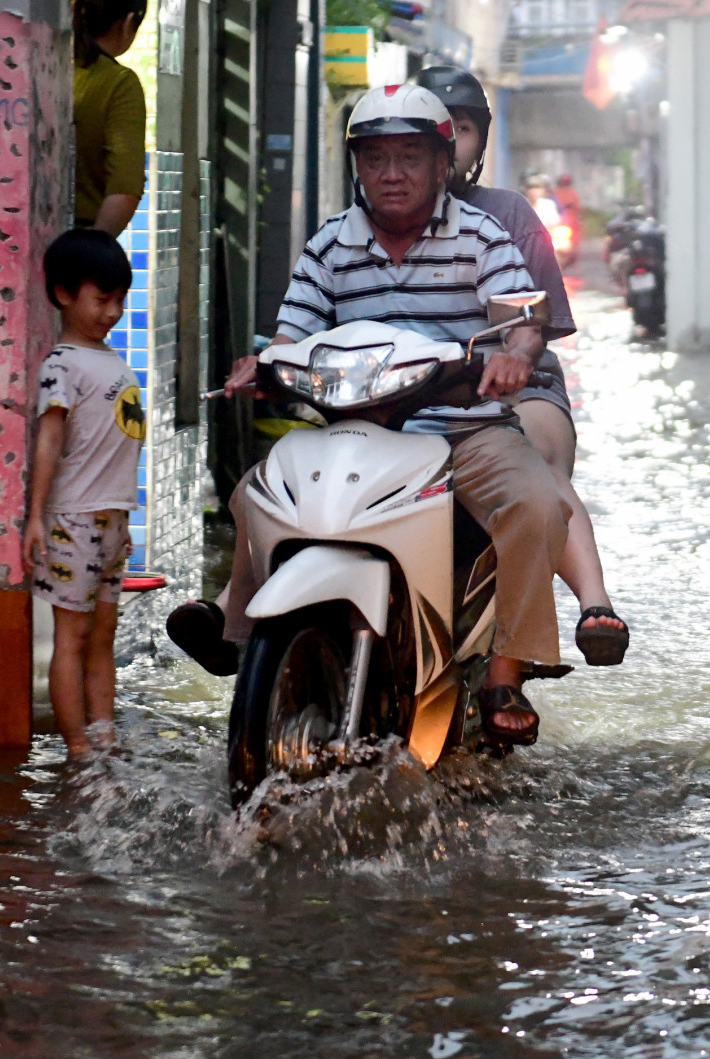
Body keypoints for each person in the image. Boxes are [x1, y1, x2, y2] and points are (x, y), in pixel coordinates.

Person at [207, 85, 572, 745]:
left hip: (468, 430)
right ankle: (237, 635)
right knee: (256, 489)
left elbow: (523, 320)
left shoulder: (481, 234)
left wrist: (517, 353)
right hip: (359, 430)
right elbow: (293, 334)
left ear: (442, 165)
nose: (393, 173)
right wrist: (261, 364)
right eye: (377, 159)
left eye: (411, 157)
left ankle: (504, 672)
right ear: (358, 167)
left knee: (538, 503)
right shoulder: (329, 245)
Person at [413, 64, 629, 665]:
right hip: (412, 394)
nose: (447, 142)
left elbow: (535, 327)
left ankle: (594, 603)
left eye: (461, 128)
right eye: (435, 127)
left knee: (536, 459)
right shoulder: (358, 226)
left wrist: (511, 359)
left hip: (519, 387)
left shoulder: (507, 215)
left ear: (478, 139)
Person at [26, 229, 146, 760]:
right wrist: (36, 518)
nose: (113, 312)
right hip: (73, 520)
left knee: (102, 638)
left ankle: (104, 739)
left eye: (120, 299)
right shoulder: (62, 365)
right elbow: (49, 439)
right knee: (72, 638)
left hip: (112, 521)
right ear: (63, 295)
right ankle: (78, 748)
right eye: (102, 299)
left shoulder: (112, 361)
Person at [72, 0, 148, 239]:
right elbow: (125, 189)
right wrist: (90, 252)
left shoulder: (43, 65)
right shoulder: (118, 84)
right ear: (129, 22)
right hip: (76, 239)